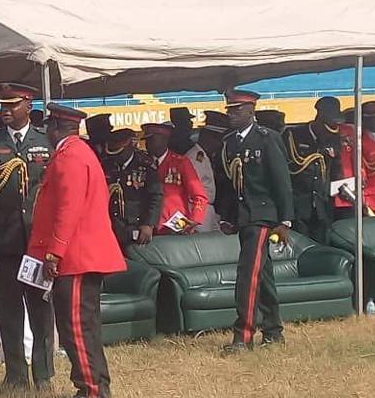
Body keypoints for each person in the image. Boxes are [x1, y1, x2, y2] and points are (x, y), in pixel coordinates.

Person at [27, 103, 127, 398]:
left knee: (76, 325)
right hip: (81, 252)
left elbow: (67, 210)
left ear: (55, 127)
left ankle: (90, 388)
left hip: (76, 254)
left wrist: (54, 252)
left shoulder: (69, 157)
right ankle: (95, 383)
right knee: (84, 324)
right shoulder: (76, 153)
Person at [0, 83, 56, 389]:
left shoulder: (46, 139)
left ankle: (44, 375)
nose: (5, 111)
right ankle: (16, 375)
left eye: (12, 106)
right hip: (3, 241)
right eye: (2, 106)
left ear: (28, 106)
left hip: (37, 242)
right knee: (9, 312)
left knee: (41, 311)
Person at [213, 90, 294, 354]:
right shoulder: (229, 143)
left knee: (247, 273)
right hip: (242, 215)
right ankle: (273, 329)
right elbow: (227, 183)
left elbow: (281, 181)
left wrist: (285, 220)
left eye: (237, 110)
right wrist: (226, 217)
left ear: (251, 111)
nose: (232, 114)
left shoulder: (267, 139)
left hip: (262, 215)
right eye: (229, 110)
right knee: (263, 273)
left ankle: (243, 335)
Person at [283, 96, 344, 244]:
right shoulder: (293, 136)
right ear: (319, 118)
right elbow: (285, 170)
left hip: (322, 207)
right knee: (300, 248)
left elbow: (335, 171)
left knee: (323, 247)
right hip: (298, 205)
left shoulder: (334, 139)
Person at [140, 122, 208, 235]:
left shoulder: (180, 162)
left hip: (176, 224)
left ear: (165, 139)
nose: (147, 144)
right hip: (148, 226)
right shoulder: (142, 163)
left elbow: (199, 196)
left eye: (152, 139)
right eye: (147, 140)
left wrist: (194, 220)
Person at [101, 128, 163, 250]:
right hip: (111, 225)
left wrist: (149, 224)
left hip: (136, 224)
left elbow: (155, 196)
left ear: (130, 146)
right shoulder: (106, 165)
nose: (117, 156)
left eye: (120, 152)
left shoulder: (145, 165)